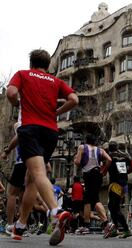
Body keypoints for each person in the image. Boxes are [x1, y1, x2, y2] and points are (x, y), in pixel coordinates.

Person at [6, 49, 78, 245]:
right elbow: (74, 99)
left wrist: (17, 103)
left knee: (37, 174)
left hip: (30, 129)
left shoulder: (23, 74)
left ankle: (56, 212)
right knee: (31, 180)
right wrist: (57, 111)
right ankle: (20, 225)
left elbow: (11, 92)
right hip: (51, 132)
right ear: (49, 66)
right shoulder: (56, 81)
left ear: (31, 64)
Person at [74, 134, 111, 235]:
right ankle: (106, 223)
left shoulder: (82, 147)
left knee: (87, 199)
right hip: (98, 174)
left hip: (89, 174)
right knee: (94, 199)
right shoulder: (100, 150)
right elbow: (109, 160)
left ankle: (87, 226)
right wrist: (104, 170)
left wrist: (76, 160)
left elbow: (77, 162)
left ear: (86, 140)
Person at [102, 141, 132, 239]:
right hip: (124, 185)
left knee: (115, 207)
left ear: (109, 148)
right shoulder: (125, 155)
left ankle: (126, 229)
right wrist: (126, 172)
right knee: (111, 206)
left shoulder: (109, 156)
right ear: (117, 147)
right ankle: (115, 228)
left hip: (115, 184)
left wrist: (103, 171)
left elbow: (104, 168)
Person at [1, 122, 26, 236]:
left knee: (11, 193)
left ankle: (11, 225)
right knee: (24, 197)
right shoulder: (38, 123)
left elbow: (18, 136)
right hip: (35, 163)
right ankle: (21, 225)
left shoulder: (20, 124)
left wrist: (7, 150)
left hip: (21, 162)